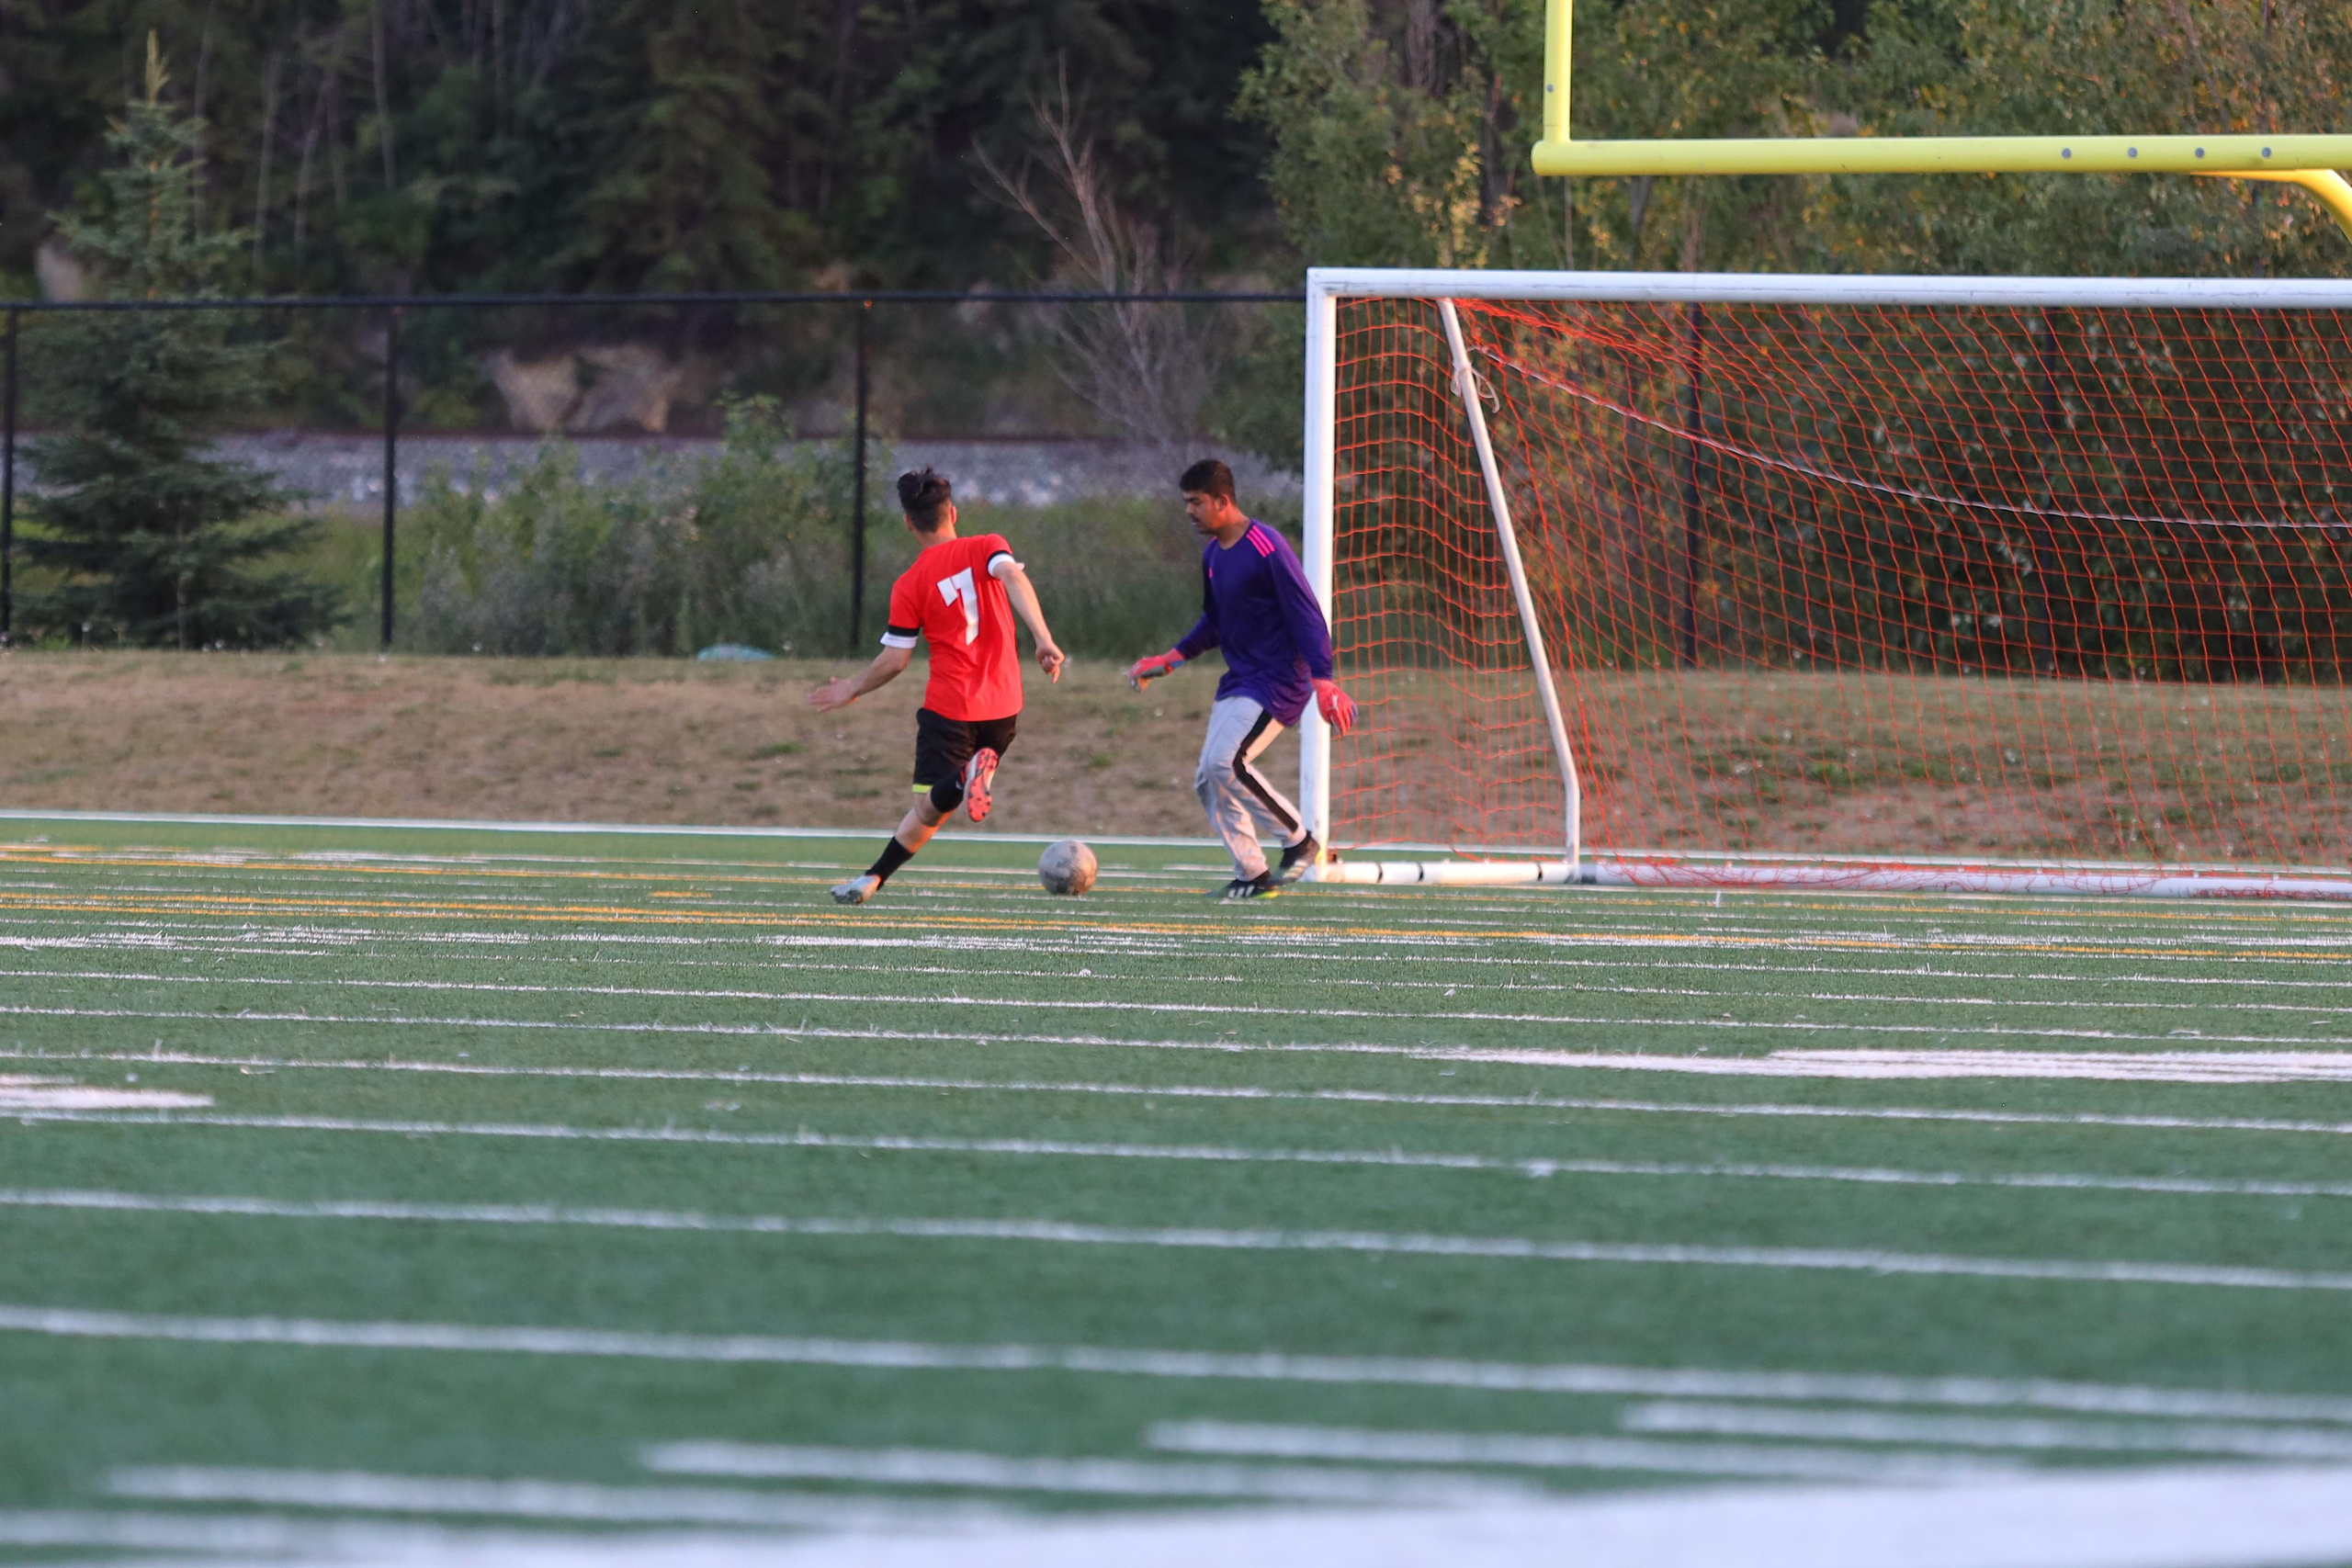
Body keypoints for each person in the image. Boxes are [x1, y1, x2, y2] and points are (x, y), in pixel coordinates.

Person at [810, 468, 1064, 905]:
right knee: (935, 809)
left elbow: (895, 661)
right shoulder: (988, 545)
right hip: (1004, 707)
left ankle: (967, 775)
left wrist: (851, 687)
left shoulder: (909, 583)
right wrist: (1043, 639)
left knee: (930, 804)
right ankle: (872, 878)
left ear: (908, 522)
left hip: (951, 708)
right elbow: (1014, 578)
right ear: (953, 512)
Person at [1128, 458, 1355, 899]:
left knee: (1225, 762)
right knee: (1206, 778)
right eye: (1186, 503)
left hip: (1278, 681)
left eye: (1196, 502)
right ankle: (1252, 874)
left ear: (1223, 501)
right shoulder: (1213, 555)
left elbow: (1306, 614)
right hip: (1241, 680)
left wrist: (1323, 680)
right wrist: (1171, 658)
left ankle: (1299, 840)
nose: (1189, 511)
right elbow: (1214, 622)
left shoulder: (1267, 547)